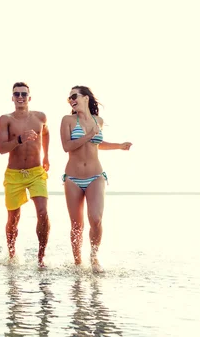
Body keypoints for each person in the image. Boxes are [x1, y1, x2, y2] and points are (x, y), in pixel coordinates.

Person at [60, 85, 132, 273]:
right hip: (73, 178)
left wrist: (119, 146)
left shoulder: (97, 120)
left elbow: (97, 144)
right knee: (76, 225)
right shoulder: (67, 120)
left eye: (74, 96)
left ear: (86, 98)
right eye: (69, 98)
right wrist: (88, 135)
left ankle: (94, 257)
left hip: (96, 176)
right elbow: (67, 146)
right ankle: (77, 263)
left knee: (96, 219)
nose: (71, 100)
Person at [0, 82, 50, 267]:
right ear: (12, 98)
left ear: (29, 97)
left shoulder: (40, 117)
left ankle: (41, 257)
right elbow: (2, 148)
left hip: (36, 172)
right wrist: (19, 139)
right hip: (14, 174)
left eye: (24, 94)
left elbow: (46, 133)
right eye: (17, 94)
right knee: (13, 218)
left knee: (43, 212)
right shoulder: (6, 119)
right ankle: (12, 256)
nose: (20, 97)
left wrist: (47, 156)